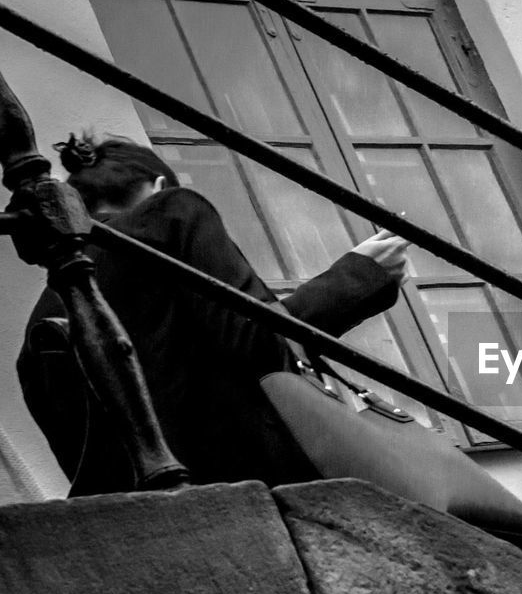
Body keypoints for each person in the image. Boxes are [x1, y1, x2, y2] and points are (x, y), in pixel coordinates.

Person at [17, 133, 409, 493]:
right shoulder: (172, 213)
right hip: (260, 492)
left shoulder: (39, 329)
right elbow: (259, 342)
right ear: (159, 188)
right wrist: (360, 276)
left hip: (146, 528)